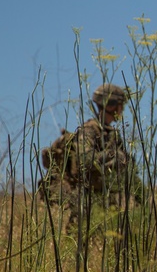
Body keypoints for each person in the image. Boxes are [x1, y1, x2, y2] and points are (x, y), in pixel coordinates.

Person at [39, 83, 140, 227]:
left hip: (104, 196)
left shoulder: (111, 133)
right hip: (85, 197)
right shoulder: (89, 130)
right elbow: (85, 161)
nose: (122, 109)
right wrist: (113, 155)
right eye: (120, 104)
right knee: (80, 238)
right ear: (111, 105)